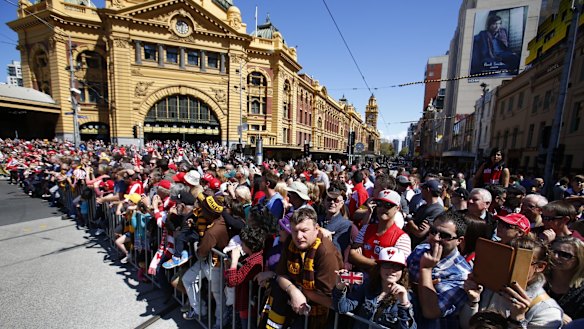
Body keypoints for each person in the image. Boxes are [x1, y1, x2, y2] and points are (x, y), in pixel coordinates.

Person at [263, 207, 343, 329]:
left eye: (304, 230)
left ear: (316, 229)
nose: (299, 236)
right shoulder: (290, 241)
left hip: (320, 317)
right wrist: (293, 291)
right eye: (295, 231)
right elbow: (281, 275)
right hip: (294, 310)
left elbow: (329, 299)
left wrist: (300, 291)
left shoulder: (326, 253)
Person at [460, 236, 563, 329]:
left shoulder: (547, 311)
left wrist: (518, 319)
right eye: (506, 260)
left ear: (540, 267)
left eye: (519, 262)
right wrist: (473, 301)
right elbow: (466, 326)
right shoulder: (491, 285)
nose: (508, 268)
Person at [407, 210, 472, 329]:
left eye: (445, 235)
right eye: (433, 231)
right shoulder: (420, 250)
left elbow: (431, 312)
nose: (436, 238)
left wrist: (426, 269)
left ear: (459, 240)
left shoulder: (462, 275)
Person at [333, 247, 416, 329]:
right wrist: (340, 288)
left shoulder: (406, 295)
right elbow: (342, 308)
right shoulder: (367, 285)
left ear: (403, 271)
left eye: (397, 267)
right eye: (386, 265)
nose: (391, 270)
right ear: (379, 268)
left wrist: (404, 304)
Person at [350, 189, 411, 272]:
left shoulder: (402, 238)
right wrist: (381, 263)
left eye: (388, 205)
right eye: (379, 204)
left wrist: (363, 260)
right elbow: (352, 255)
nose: (382, 208)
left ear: (397, 208)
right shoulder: (366, 229)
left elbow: (397, 267)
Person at [225, 225, 266, 329]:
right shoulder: (256, 256)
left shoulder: (252, 262)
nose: (240, 245)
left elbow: (232, 281)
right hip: (247, 303)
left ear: (249, 245)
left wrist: (234, 261)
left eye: (242, 243)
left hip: (248, 306)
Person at [545, 236, 584, 323]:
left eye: (565, 255)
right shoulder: (538, 280)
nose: (555, 256)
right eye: (553, 251)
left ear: (579, 260)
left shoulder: (581, 291)